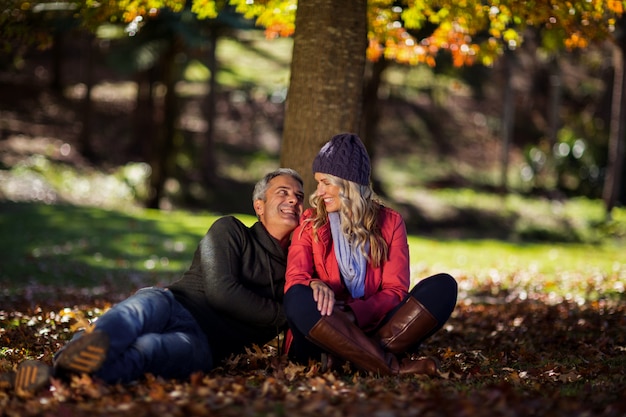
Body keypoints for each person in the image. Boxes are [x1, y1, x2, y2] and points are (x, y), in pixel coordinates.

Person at [11, 168, 305, 395]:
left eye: (299, 196)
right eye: (282, 192)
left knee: (147, 351)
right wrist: (284, 315)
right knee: (130, 318)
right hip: (172, 303)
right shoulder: (230, 230)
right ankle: (65, 362)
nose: (293, 199)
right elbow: (222, 293)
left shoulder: (297, 268)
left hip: (203, 345)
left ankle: (50, 378)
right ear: (259, 205)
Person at [283, 133, 458, 376]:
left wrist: (354, 314)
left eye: (326, 182)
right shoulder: (311, 220)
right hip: (323, 331)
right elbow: (295, 278)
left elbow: (395, 291)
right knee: (297, 297)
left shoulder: (391, 222)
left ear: (348, 184)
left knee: (443, 287)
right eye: (318, 182)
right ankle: (389, 366)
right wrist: (313, 283)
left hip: (374, 324)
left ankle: (353, 359)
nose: (319, 191)